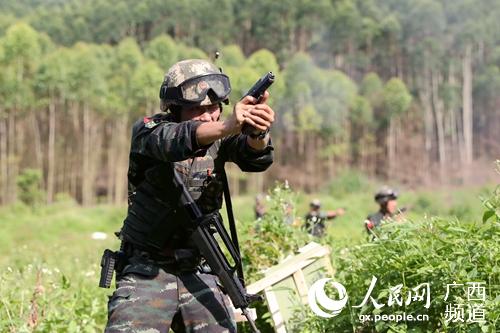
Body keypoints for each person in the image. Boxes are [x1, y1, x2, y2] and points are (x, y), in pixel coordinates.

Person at [104, 59, 275, 333]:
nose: (209, 116)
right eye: (198, 109)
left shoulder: (221, 135)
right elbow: (175, 140)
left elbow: (254, 157)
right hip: (146, 271)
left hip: (199, 268)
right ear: (175, 110)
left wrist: (258, 132)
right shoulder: (150, 131)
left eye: (215, 108)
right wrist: (229, 124)